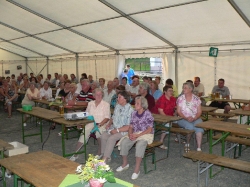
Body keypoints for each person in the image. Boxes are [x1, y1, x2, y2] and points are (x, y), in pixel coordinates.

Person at [116, 96, 154, 180]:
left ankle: (137, 169)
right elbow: (131, 126)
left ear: (143, 105)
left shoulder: (147, 113)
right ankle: (125, 163)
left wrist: (138, 135)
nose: (135, 105)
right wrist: (130, 134)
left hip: (146, 133)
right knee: (124, 142)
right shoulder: (133, 113)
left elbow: (149, 129)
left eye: (137, 103)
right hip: (135, 133)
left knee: (140, 144)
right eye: (135, 103)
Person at [70, 88, 110, 161]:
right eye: (97, 94)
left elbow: (107, 118)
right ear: (94, 95)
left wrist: (99, 125)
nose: (99, 96)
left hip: (102, 123)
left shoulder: (106, 104)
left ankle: (100, 152)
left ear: (102, 95)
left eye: (100, 94)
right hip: (91, 122)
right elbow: (86, 115)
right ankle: (75, 154)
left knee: (98, 132)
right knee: (84, 133)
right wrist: (81, 123)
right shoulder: (90, 103)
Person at [100, 91, 134, 162]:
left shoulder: (130, 110)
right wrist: (109, 124)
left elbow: (129, 126)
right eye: (117, 97)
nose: (117, 99)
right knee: (103, 135)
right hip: (114, 127)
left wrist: (117, 130)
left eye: (119, 97)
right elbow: (113, 117)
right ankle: (104, 154)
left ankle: (105, 159)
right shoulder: (117, 106)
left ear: (125, 99)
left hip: (124, 131)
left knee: (111, 138)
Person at [176, 82, 203, 152]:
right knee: (190, 126)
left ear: (190, 89)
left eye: (185, 88)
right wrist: (186, 118)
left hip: (195, 117)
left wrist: (195, 118)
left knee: (199, 126)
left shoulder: (196, 98)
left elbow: (199, 111)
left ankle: (199, 148)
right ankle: (187, 143)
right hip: (182, 118)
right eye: (183, 87)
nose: (183, 89)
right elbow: (178, 111)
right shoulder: (180, 98)